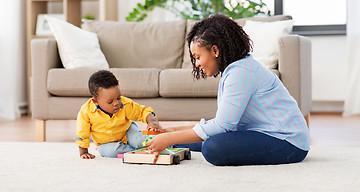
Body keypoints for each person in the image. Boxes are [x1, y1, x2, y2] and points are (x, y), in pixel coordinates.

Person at [146, 14, 310, 166]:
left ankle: (170, 139)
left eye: (197, 57)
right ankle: (166, 139)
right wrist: (172, 132)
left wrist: (169, 137)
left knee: (212, 147)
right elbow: (223, 122)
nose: (196, 64)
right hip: (263, 133)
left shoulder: (240, 72)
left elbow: (222, 126)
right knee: (186, 139)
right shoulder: (235, 69)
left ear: (215, 51)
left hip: (288, 142)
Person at [75, 70, 162, 159]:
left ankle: (164, 142)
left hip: (127, 130)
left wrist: (152, 122)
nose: (116, 103)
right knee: (112, 152)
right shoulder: (86, 111)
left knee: (139, 141)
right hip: (105, 143)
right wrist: (84, 152)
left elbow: (142, 111)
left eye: (118, 98)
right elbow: (82, 133)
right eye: (110, 102)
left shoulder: (125, 104)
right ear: (96, 101)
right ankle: (140, 151)